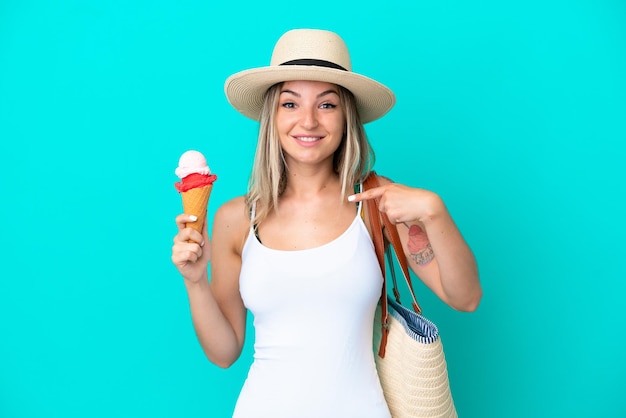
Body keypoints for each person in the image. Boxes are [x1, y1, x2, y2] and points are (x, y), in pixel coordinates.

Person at [171, 29, 482, 418]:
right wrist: (195, 281)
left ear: (346, 115)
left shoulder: (379, 204)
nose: (308, 121)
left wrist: (435, 211)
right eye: (290, 104)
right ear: (272, 115)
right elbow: (224, 352)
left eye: (327, 105)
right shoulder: (236, 218)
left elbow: (465, 297)